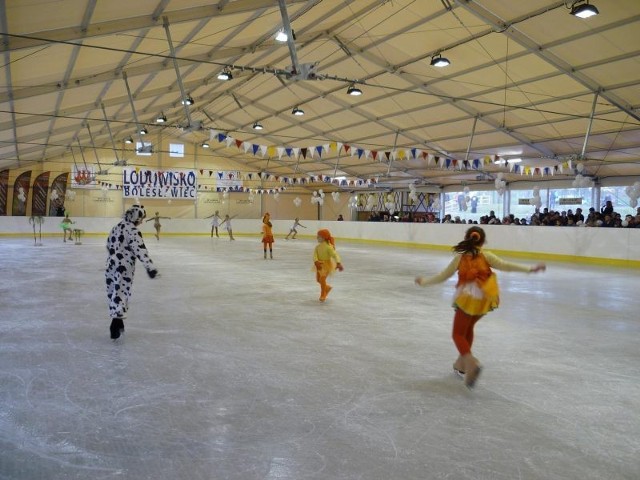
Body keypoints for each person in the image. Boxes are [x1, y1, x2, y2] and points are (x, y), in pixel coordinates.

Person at [415, 226, 546, 388]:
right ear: (482, 241)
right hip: (485, 297)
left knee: (457, 334)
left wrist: (424, 282)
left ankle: (470, 363)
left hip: (467, 298)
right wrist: (531, 269)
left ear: (466, 238)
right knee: (468, 328)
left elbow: (443, 276)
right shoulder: (487, 256)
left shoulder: (460, 258)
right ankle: (461, 364)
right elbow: (506, 265)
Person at [105, 205, 158, 340]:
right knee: (121, 294)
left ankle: (120, 322)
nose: (142, 221)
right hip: (124, 267)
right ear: (136, 217)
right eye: (141, 218)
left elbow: (108, 244)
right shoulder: (133, 231)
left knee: (114, 293)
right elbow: (140, 249)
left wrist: (115, 255)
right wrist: (150, 268)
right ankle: (115, 325)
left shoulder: (116, 227)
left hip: (111, 265)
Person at [313, 229, 344, 302]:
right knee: (318, 279)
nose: (317, 238)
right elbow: (315, 255)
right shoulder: (317, 247)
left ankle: (323, 293)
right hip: (319, 265)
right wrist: (316, 261)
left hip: (326, 265)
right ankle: (327, 288)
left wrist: (338, 263)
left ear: (324, 237)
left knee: (322, 279)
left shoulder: (328, 247)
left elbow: (335, 255)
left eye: (319, 236)